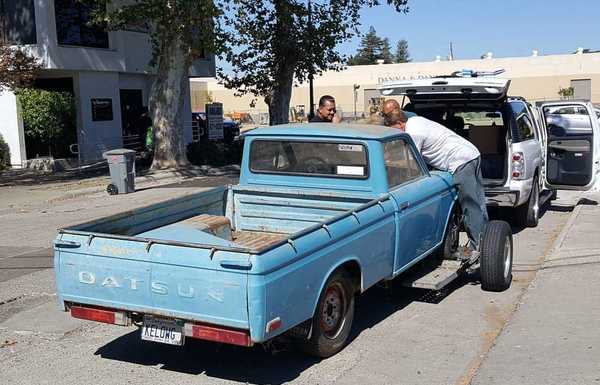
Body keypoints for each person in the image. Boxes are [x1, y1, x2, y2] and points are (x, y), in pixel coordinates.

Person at [382, 99, 488, 255]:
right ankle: (486, 243)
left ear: (399, 123)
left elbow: (411, 161)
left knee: (470, 206)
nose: (397, 134)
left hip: (461, 161)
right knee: (478, 204)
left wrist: (388, 161)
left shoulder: (413, 133)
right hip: (471, 154)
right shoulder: (415, 121)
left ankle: (478, 249)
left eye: (395, 130)